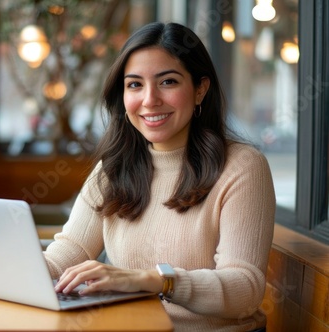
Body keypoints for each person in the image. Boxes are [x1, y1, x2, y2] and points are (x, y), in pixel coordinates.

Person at [44, 21, 275, 332]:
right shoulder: (114, 167)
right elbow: (69, 252)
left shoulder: (242, 167)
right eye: (135, 84)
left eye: (167, 82)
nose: (150, 99)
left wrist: (154, 280)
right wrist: (4, 271)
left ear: (200, 89)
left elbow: (244, 290)